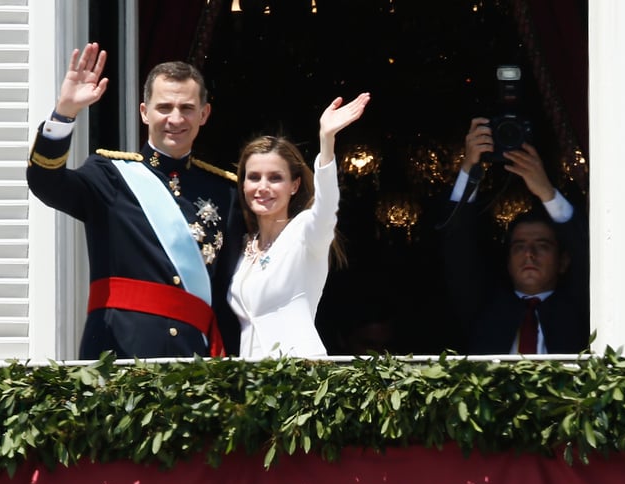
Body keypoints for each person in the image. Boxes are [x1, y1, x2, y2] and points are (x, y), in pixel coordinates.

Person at [26, 43, 241, 359]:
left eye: (187, 108)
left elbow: (226, 297)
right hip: (118, 355)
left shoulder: (226, 192)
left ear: (204, 114)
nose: (175, 119)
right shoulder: (110, 175)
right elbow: (45, 182)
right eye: (164, 107)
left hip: (196, 363)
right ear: (144, 112)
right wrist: (65, 112)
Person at [227, 93, 370, 359]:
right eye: (254, 177)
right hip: (251, 383)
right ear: (243, 184)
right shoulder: (245, 243)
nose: (263, 187)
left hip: (297, 377)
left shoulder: (305, 231)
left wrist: (326, 143)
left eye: (275, 178)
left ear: (294, 185)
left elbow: (326, 207)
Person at [438, 117, 589, 355]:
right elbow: (458, 248)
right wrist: (470, 168)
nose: (529, 254)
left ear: (563, 261)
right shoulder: (484, 306)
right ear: (507, 261)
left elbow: (587, 252)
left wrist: (547, 193)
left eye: (542, 245)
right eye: (519, 246)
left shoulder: (582, 306)